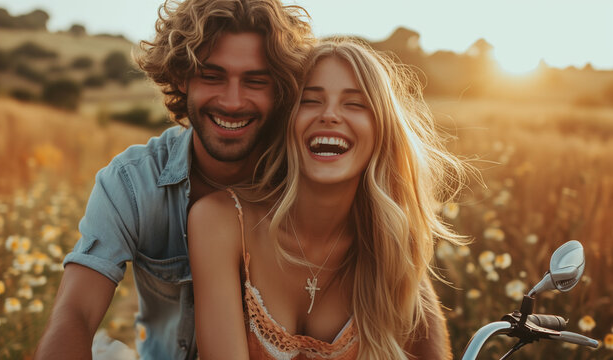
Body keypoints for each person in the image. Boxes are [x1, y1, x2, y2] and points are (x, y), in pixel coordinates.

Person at [34, 0, 313, 359]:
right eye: (212, 76)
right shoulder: (133, 182)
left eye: (255, 81)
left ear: (280, 89)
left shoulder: (309, 183)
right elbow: (75, 312)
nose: (232, 101)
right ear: (182, 77)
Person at [188, 39, 466, 360]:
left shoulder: (392, 246)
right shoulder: (220, 221)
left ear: (382, 131)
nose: (330, 115)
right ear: (288, 122)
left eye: (355, 104)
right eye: (310, 101)